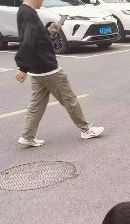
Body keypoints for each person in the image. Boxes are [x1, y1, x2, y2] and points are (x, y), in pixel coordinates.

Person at [14, 0, 104, 147]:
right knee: (69, 99)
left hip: (37, 69)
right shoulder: (28, 14)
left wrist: (49, 31)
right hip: (47, 67)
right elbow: (28, 41)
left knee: (36, 105)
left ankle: (27, 136)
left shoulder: (24, 11)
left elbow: (35, 37)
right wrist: (22, 67)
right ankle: (86, 129)